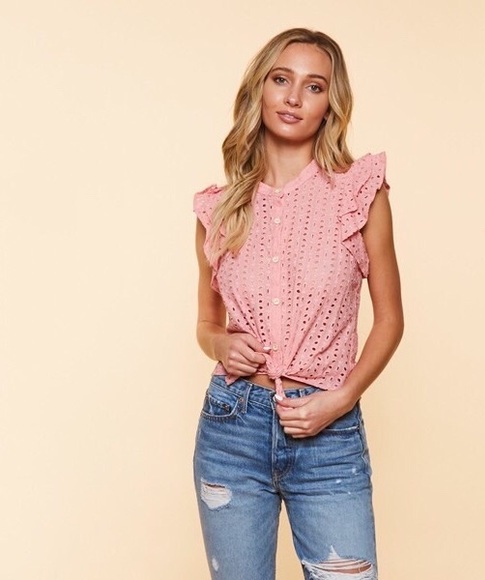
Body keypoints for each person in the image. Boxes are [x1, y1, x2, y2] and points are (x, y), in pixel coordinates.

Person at [193, 28, 403, 580]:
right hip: (232, 427)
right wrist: (220, 345)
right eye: (281, 80)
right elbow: (207, 323)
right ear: (258, 89)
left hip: (328, 432)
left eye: (314, 86)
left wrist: (343, 398)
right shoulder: (219, 209)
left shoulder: (359, 193)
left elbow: (390, 319)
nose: (293, 98)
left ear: (331, 103)